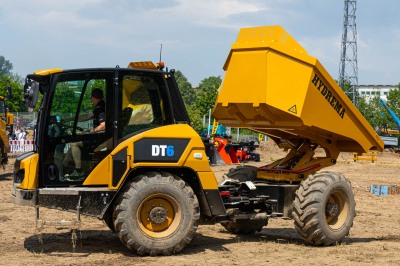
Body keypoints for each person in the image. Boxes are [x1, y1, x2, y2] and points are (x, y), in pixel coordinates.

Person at [65, 88, 105, 179]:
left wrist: (89, 131)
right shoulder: (101, 106)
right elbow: (87, 116)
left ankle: (78, 171)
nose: (91, 100)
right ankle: (66, 166)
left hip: (99, 139)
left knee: (74, 144)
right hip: (100, 137)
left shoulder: (100, 108)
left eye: (91, 98)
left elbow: (103, 125)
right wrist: (71, 119)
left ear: (93, 97)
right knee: (76, 140)